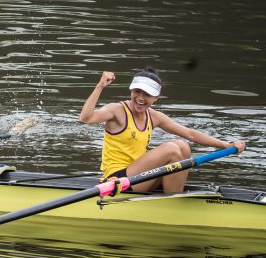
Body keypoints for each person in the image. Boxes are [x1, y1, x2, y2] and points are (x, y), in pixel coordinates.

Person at [78, 69, 245, 193]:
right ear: (131, 91)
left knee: (183, 145)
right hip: (118, 179)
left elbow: (191, 134)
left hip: (141, 177)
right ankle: (172, 202)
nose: (141, 98)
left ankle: (173, 195)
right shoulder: (117, 110)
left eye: (148, 94)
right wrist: (100, 86)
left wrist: (225, 145)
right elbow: (85, 118)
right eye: (137, 92)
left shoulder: (155, 117)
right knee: (172, 149)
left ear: (156, 98)